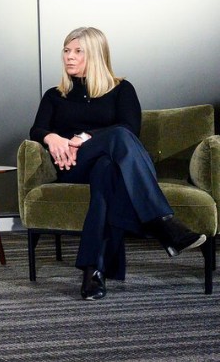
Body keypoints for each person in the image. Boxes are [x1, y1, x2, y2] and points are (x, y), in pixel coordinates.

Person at [29, 26, 205, 301]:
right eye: (66, 51)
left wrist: (82, 137)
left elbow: (130, 129)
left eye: (78, 52)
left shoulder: (121, 89)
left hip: (110, 165)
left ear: (96, 55)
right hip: (74, 167)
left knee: (107, 173)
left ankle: (93, 272)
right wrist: (52, 137)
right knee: (116, 142)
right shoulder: (55, 95)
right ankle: (163, 222)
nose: (69, 57)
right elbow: (36, 129)